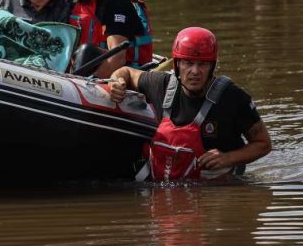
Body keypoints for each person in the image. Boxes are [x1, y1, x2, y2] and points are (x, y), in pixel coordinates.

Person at [108, 27, 271, 181]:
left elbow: (263, 144)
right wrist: (116, 81)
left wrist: (227, 158)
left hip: (218, 191)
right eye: (188, 63)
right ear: (177, 65)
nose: (195, 71)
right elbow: (127, 72)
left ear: (212, 66)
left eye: (202, 64)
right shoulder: (161, 85)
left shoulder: (234, 98)